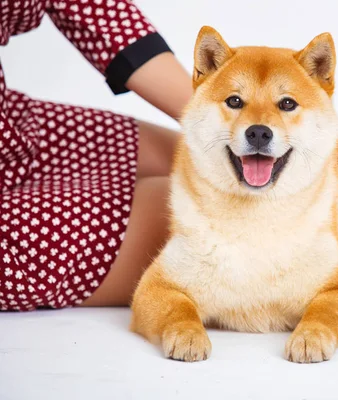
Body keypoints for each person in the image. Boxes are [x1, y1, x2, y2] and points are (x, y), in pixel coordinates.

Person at [0, 0, 193, 311]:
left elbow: (96, 9)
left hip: (11, 129)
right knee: (218, 215)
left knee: (201, 163)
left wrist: (212, 118)